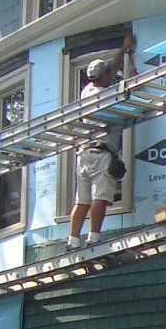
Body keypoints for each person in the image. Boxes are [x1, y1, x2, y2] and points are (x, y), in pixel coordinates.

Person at [66, 41, 132, 250]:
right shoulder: (106, 97)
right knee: (100, 197)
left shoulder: (87, 90)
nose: (111, 76)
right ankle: (94, 237)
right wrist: (133, 82)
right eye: (108, 76)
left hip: (84, 152)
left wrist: (123, 48)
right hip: (101, 152)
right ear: (104, 78)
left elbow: (110, 69)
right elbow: (124, 106)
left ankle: (73, 240)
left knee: (82, 200)